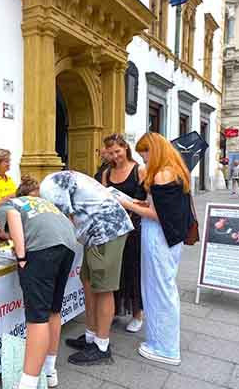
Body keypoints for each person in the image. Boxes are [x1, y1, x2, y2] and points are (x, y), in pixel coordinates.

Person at [40, 171, 134, 365]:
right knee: (89, 282)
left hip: (106, 230)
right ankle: (91, 336)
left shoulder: (50, 189)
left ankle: (101, 346)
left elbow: (67, 220)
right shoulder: (52, 182)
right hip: (94, 232)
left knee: (103, 288)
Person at [117, 132, 194, 366]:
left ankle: (166, 348)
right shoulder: (175, 170)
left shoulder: (162, 174)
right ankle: (161, 342)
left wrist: (127, 203)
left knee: (159, 290)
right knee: (162, 288)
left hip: (159, 238)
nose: (144, 161)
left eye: (145, 155)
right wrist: (141, 202)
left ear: (155, 151)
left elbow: (158, 215)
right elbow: (161, 207)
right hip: (168, 239)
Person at [0, 187, 77, 389]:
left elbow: (12, 218)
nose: (7, 238)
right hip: (67, 245)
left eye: (4, 236)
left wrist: (20, 256)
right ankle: (50, 372)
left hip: (43, 250)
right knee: (54, 311)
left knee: (37, 318)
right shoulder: (34, 202)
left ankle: (27, 384)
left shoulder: (5, 207)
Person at [102, 134, 146, 333]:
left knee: (133, 269)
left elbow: (146, 200)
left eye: (118, 151)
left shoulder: (139, 170)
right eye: (110, 153)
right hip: (114, 227)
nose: (115, 156)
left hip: (134, 226)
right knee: (115, 270)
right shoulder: (107, 172)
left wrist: (128, 205)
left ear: (125, 149)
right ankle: (115, 310)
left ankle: (137, 314)